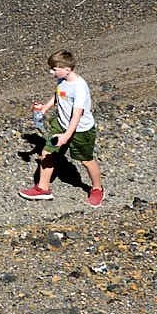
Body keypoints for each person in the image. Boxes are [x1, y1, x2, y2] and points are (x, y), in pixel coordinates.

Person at [22, 50, 103, 206]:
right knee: (47, 152)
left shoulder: (79, 87)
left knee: (86, 160)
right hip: (61, 124)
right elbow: (59, 93)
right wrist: (45, 107)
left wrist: (66, 136)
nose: (51, 72)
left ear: (67, 69)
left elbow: (77, 115)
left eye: (54, 69)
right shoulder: (62, 79)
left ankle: (97, 189)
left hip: (80, 130)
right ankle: (43, 188)